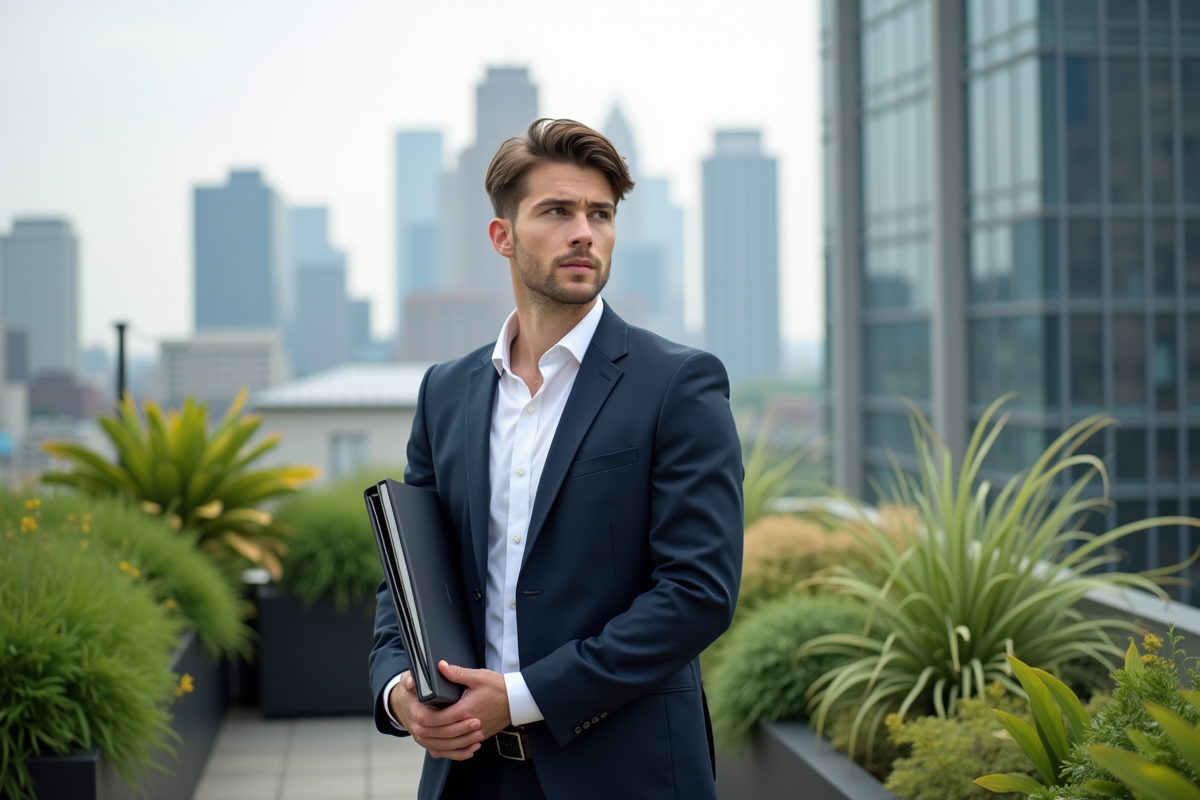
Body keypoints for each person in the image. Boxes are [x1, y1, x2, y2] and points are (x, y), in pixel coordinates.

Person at [368, 118, 743, 800]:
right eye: (557, 212)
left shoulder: (677, 384)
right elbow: (410, 573)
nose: (584, 233)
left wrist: (522, 697)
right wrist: (401, 691)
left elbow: (698, 593)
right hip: (468, 776)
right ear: (502, 236)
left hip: (625, 775)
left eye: (600, 214)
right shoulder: (445, 392)